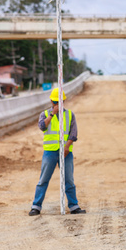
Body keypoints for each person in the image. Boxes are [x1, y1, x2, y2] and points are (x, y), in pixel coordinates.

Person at [29, 88, 86, 216]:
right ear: (51, 101)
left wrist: (67, 147)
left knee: (69, 180)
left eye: (59, 101)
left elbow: (73, 133)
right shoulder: (44, 114)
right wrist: (52, 114)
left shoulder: (70, 114)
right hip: (50, 152)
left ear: (63, 101)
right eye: (55, 102)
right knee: (43, 179)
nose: (57, 104)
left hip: (66, 152)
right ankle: (36, 206)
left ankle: (74, 206)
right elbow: (42, 127)